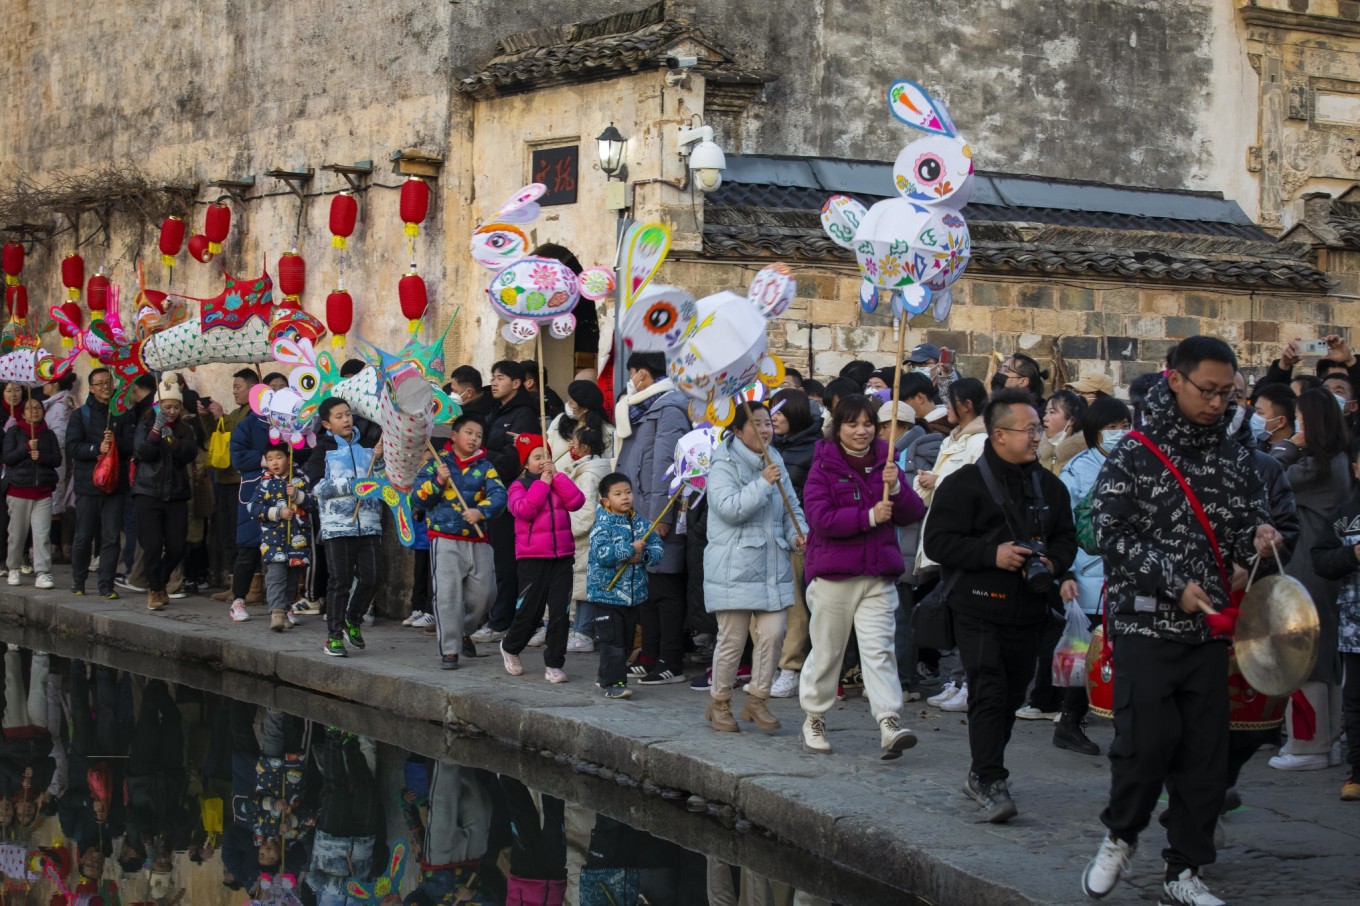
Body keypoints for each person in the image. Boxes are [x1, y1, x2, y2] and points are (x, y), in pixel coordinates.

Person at [1081, 336, 1285, 906]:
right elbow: (1109, 533)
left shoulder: (1237, 454)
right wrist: (1173, 583)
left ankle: (1185, 868)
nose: (1217, 403)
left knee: (1204, 757)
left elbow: (1254, 517)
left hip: (1210, 631)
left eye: (1228, 393)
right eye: (1208, 390)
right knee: (1144, 745)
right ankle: (1121, 834)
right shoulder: (1134, 452)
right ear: (1174, 379)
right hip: (1147, 624)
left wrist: (1261, 541)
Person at [922, 389, 1077, 823]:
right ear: (998, 435)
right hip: (977, 606)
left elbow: (1067, 537)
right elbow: (937, 544)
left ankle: (981, 769)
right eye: (1027, 430)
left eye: (1037, 428)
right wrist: (993, 555)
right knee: (988, 688)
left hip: (1029, 608)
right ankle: (991, 778)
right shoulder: (964, 483)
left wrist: (1052, 560)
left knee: (1011, 693)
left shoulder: (1049, 486)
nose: (1036, 436)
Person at [799, 394, 925, 759]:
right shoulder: (822, 466)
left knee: (879, 649)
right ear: (837, 428)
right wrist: (869, 516)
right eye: (852, 424)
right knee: (827, 651)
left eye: (868, 423)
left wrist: (898, 488)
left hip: (878, 574)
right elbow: (820, 518)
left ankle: (889, 720)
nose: (862, 431)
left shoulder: (887, 463)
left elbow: (911, 513)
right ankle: (815, 716)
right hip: (834, 575)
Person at [702, 403, 807, 733]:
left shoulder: (774, 460)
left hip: (772, 564)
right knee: (732, 640)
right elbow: (729, 509)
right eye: (757, 424)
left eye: (768, 424)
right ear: (737, 431)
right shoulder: (723, 463)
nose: (765, 430)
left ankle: (757, 701)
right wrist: (762, 482)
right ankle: (719, 703)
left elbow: (791, 507)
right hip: (733, 565)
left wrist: (797, 534)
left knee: (775, 633)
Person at [1267, 387, 1351, 770]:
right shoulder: (1336, 460)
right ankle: (1328, 739)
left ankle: (1308, 743)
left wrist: (1291, 445)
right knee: (1323, 648)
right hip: (1319, 563)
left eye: (1301, 418)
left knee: (1302, 649)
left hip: (1307, 562)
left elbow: (1266, 469)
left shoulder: (1315, 465)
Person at [1052, 396, 1133, 756]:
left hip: (1127, 576)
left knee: (1125, 654)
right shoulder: (1077, 470)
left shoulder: (1137, 465)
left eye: (1123, 426)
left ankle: (1127, 728)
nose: (1119, 434)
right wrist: (1066, 571)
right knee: (1087, 653)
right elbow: (1064, 525)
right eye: (1111, 428)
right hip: (1086, 575)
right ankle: (1071, 722)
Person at [613, 352, 692, 685]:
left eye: (632, 372)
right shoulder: (643, 408)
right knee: (646, 588)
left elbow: (667, 466)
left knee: (664, 588)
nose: (631, 379)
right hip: (638, 509)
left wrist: (663, 514)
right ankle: (648, 654)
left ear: (643, 374)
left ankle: (670, 659)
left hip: (657, 512)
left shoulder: (668, 407)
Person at [412, 413, 507, 670]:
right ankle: (450, 649)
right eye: (469, 433)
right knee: (447, 595)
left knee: (486, 594)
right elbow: (418, 500)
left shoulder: (486, 467)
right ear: (454, 436)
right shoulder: (436, 464)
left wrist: (481, 511)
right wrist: (438, 481)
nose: (474, 439)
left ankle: (464, 629)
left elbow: (500, 496)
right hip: (444, 538)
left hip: (478, 537)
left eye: (479, 435)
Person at [500, 433, 585, 683]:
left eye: (546, 456)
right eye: (536, 457)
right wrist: (543, 485)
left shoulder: (559, 480)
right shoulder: (519, 486)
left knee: (560, 612)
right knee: (530, 612)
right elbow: (523, 511)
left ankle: (555, 664)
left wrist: (557, 478)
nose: (542, 462)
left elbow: (577, 501)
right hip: (532, 558)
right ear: (525, 463)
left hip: (562, 557)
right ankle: (511, 646)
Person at [306, 398, 384, 657]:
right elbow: (316, 487)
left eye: (348, 414)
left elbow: (381, 480)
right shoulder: (323, 450)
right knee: (339, 581)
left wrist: (381, 460)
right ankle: (334, 636)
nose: (346, 419)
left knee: (373, 577)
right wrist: (351, 486)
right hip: (337, 526)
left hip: (369, 523)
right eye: (339, 416)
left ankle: (353, 618)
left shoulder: (368, 446)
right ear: (327, 424)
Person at [469, 360, 540, 644]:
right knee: (491, 560)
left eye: (500, 378)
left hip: (510, 493)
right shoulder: (493, 410)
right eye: (493, 376)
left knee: (505, 560)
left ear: (518, 383)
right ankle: (494, 616)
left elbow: (516, 457)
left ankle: (502, 620)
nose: (495, 382)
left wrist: (486, 457)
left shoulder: (525, 414)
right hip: (489, 493)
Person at [1309, 441, 1360, 801]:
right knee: (1355, 702)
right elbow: (1321, 560)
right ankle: (1357, 772)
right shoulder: (1345, 516)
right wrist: (1352, 553)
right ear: (1355, 468)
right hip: (1354, 629)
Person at [587, 473, 664, 699]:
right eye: (618, 494)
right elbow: (602, 555)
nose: (625, 497)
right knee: (613, 642)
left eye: (628, 492)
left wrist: (644, 555)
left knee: (627, 641)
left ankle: (604, 677)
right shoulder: (602, 524)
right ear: (606, 500)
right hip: (607, 594)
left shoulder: (641, 523)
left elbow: (658, 550)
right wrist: (628, 550)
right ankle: (615, 683)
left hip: (633, 596)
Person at [131, 379, 198, 611]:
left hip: (176, 494)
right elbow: (143, 453)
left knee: (177, 547)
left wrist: (172, 441)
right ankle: (155, 589)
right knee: (151, 546)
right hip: (148, 492)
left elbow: (188, 454)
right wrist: (155, 432)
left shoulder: (184, 429)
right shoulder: (144, 426)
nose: (172, 411)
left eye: (176, 407)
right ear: (158, 406)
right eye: (167, 407)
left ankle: (159, 580)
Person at [67, 368, 134, 599]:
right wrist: (97, 448)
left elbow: (132, 446)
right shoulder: (80, 416)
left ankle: (106, 584)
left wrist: (117, 442)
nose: (105, 386)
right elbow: (73, 447)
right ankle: (79, 580)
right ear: (92, 388)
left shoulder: (123, 414)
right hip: (88, 485)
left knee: (111, 536)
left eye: (108, 382)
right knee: (84, 535)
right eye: (100, 383)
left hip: (115, 485)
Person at [203, 370, 259, 600]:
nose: (234, 391)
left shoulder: (254, 414)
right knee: (227, 532)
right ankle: (235, 584)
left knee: (242, 533)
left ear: (252, 388)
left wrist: (219, 417)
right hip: (225, 478)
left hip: (242, 481)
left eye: (238, 386)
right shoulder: (236, 412)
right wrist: (208, 417)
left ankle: (251, 587)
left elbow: (239, 438)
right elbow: (216, 437)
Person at [247, 443, 312, 632]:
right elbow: (253, 508)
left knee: (292, 580)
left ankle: (285, 610)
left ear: (289, 457)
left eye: (279, 457)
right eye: (270, 459)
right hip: (273, 541)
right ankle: (276, 613)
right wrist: (277, 512)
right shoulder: (265, 483)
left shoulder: (301, 480)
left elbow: (314, 504)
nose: (274, 462)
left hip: (297, 540)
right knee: (275, 577)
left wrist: (298, 496)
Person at [4, 396, 61, 590]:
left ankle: (43, 572)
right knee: (17, 534)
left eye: (38, 408)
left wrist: (42, 456)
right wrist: (26, 448)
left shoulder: (48, 434)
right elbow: (8, 457)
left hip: (43, 491)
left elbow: (57, 460)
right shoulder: (14, 431)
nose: (34, 411)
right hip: (19, 490)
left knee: (42, 534)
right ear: (23, 413)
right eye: (30, 408)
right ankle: (13, 567)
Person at [564, 426, 613, 653]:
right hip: (592, 537)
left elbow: (586, 512)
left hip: (587, 539)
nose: (570, 447)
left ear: (584, 447)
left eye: (573, 442)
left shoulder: (589, 475)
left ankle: (583, 632)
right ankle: (582, 630)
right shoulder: (592, 470)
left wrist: (567, 529)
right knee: (586, 586)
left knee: (586, 587)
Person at [545, 379, 613, 470]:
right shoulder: (559, 420)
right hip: (551, 477)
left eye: (572, 403)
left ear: (585, 409)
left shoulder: (608, 432)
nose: (567, 404)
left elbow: (604, 464)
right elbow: (547, 447)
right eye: (568, 399)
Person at [1038, 390, 1087, 475]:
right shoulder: (1038, 454)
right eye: (1046, 412)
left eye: (1052, 412)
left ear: (1071, 420)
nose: (1045, 418)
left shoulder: (1083, 460)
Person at [1251, 382, 1297, 452]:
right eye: (1255, 411)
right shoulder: (1253, 448)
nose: (1254, 416)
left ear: (1281, 421)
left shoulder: (1297, 455)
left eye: (1260, 413)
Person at [446, 365, 494, 431]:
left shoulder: (485, 416)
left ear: (469, 393)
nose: (451, 394)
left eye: (455, 391)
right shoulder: (447, 391)